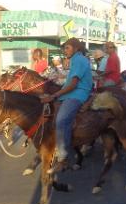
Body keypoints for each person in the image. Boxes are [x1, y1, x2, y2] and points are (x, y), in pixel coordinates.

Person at [40, 38, 93, 174]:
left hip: (78, 94)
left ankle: (63, 158)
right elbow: (69, 81)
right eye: (64, 48)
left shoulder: (79, 60)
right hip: (70, 93)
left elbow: (74, 83)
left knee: (61, 120)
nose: (65, 50)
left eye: (67, 48)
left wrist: (54, 95)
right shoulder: (74, 60)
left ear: (76, 48)